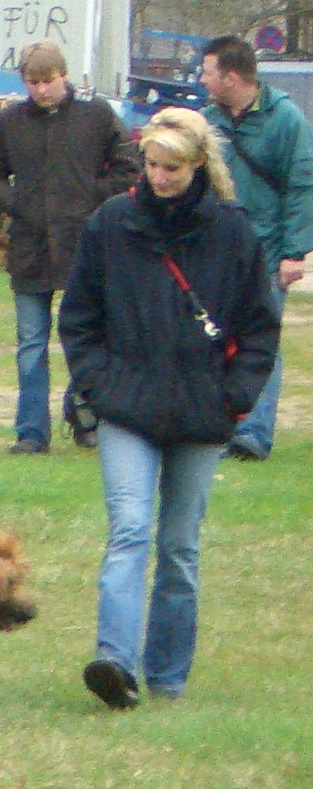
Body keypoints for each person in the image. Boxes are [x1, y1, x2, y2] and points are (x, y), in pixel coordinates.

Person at [60, 108, 280, 706]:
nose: (158, 177)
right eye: (152, 165)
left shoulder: (233, 232)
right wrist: (99, 386)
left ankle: (168, 676)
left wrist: (234, 397)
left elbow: (260, 328)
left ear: (199, 164)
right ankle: (115, 660)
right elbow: (79, 316)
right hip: (127, 408)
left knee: (179, 548)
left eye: (172, 168)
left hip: (201, 412)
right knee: (130, 530)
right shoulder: (112, 222)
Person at [0, 39, 137, 452]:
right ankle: (31, 432)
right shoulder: (9, 122)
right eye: (33, 82)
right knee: (31, 344)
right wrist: (18, 204)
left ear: (64, 75)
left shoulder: (97, 116)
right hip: (30, 247)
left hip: (86, 246)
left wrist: (91, 199)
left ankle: (85, 418)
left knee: (86, 339)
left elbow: (128, 167)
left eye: (48, 80)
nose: (41, 89)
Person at [197, 35, 312, 460]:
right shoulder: (206, 121)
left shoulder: (287, 121)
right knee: (213, 339)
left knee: (261, 343)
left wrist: (295, 253)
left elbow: (303, 186)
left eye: (207, 72)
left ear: (230, 77)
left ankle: (254, 434)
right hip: (217, 251)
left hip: (267, 251)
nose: (202, 80)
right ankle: (218, 424)